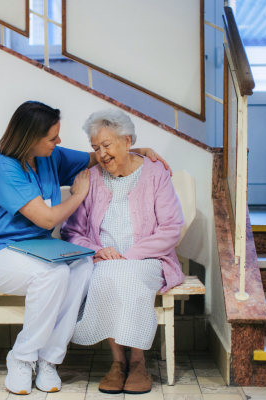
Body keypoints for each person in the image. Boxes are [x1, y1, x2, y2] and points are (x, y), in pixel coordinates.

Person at [0, 101, 169, 395]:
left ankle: (49, 360)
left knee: (84, 266)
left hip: (39, 251)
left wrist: (140, 151)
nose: (58, 141)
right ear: (30, 138)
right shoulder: (3, 168)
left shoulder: (50, 157)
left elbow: (98, 155)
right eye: (52, 138)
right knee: (53, 276)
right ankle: (22, 358)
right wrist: (78, 195)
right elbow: (47, 217)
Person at [61, 108, 184, 395]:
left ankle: (138, 362)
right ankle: (118, 363)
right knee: (106, 276)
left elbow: (171, 228)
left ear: (127, 142)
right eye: (95, 148)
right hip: (105, 260)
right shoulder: (90, 177)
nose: (101, 154)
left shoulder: (155, 172)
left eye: (107, 145)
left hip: (148, 258)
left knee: (128, 276)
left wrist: (130, 255)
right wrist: (97, 249)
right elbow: (71, 232)